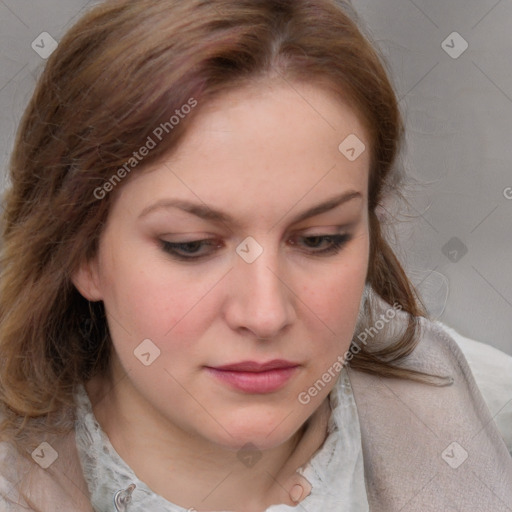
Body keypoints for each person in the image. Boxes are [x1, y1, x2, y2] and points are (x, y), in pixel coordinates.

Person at [0, 0, 511, 511]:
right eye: (191, 246)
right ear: (81, 252)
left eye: (320, 239)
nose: (265, 314)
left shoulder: (494, 422)